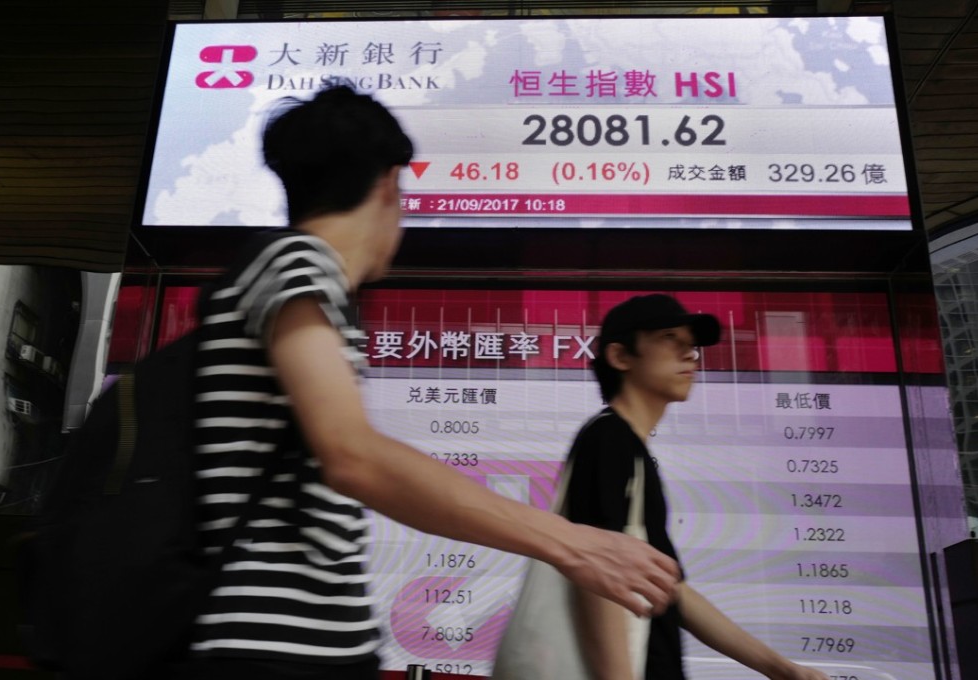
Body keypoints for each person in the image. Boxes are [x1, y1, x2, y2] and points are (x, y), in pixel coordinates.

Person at [176, 85, 680, 680]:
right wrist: (572, 544)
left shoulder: (299, 280)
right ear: (390, 183)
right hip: (271, 649)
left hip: (306, 645)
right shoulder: (297, 263)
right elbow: (352, 455)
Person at [565, 293, 830, 680]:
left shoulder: (631, 449)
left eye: (691, 344)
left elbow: (672, 590)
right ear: (621, 357)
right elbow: (595, 577)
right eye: (671, 339)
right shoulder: (608, 440)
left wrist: (783, 669)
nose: (690, 354)